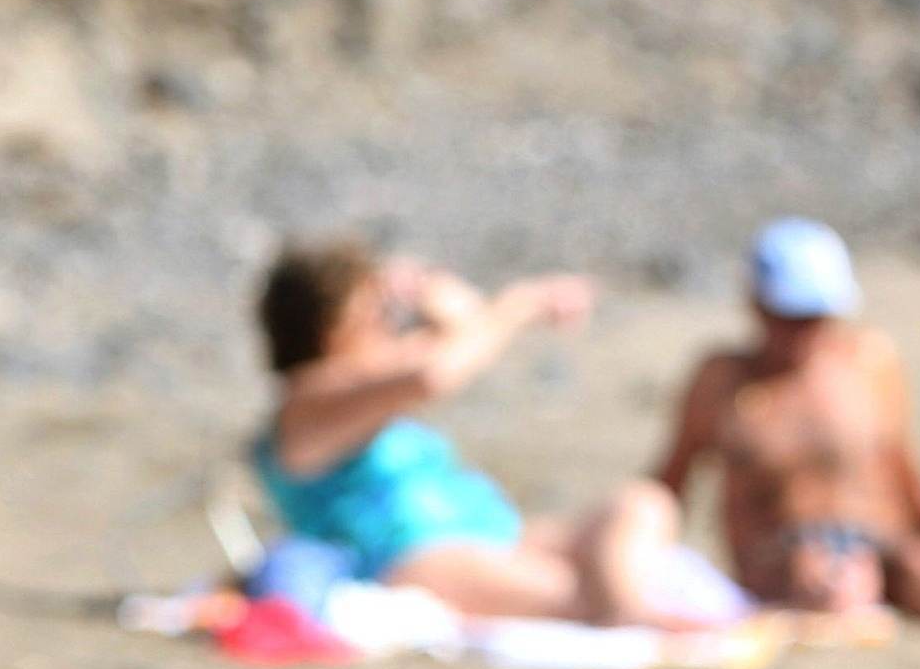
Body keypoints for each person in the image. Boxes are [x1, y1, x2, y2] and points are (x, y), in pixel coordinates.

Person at [255, 241, 726, 630]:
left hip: (493, 536)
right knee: (573, 594)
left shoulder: (367, 390)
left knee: (642, 504)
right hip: (414, 556)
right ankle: (630, 614)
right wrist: (522, 303)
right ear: (331, 329)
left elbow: (456, 335)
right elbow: (435, 372)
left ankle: (629, 608)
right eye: (377, 313)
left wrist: (422, 288)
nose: (389, 325)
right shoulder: (309, 400)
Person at [653, 217, 920, 636]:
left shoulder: (868, 361)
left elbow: (903, 468)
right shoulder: (723, 380)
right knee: (813, 575)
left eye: (815, 318)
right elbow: (670, 485)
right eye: (787, 318)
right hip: (782, 557)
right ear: (757, 305)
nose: (802, 334)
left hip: (879, 543)